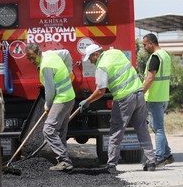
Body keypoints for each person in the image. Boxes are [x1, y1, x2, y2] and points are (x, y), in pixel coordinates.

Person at [79, 43, 156, 173]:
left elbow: (100, 91)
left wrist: (87, 101)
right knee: (142, 128)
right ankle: (151, 161)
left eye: (91, 58)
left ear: (96, 54)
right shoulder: (116, 52)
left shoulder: (102, 66)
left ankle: (111, 165)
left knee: (116, 131)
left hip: (124, 98)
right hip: (139, 93)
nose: (91, 62)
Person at [25, 43, 76, 171]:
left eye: (32, 57)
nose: (31, 61)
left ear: (39, 53)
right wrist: (69, 70)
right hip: (70, 97)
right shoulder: (51, 54)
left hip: (62, 98)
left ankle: (64, 161)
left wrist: (48, 105)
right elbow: (66, 53)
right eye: (28, 58)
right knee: (60, 131)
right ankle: (64, 162)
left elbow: (50, 91)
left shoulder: (45, 66)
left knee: (48, 129)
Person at [142, 33, 173, 165]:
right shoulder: (165, 55)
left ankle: (159, 158)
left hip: (155, 96)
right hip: (163, 95)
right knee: (156, 126)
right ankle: (167, 154)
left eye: (144, 45)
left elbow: (150, 78)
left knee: (158, 128)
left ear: (150, 43)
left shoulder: (155, 57)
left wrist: (140, 92)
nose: (144, 47)